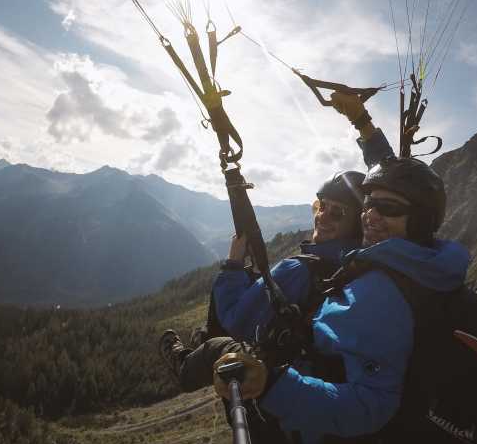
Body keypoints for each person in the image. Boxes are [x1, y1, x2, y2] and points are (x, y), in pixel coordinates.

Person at [211, 156, 470, 444]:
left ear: (420, 221)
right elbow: (408, 191)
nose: (372, 215)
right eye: (368, 204)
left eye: (386, 208)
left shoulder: (378, 291)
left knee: (214, 353)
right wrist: (365, 127)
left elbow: (372, 404)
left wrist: (272, 384)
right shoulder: (422, 264)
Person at [159, 92, 395, 391]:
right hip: (321, 354)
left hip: (285, 362)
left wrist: (232, 266)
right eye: (321, 205)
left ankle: (187, 365)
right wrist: (362, 122)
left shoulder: (298, 270)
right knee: (254, 279)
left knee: (217, 343)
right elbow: (395, 182)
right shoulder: (370, 255)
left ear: (356, 223)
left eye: (338, 213)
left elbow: (235, 318)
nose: (323, 216)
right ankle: (204, 335)